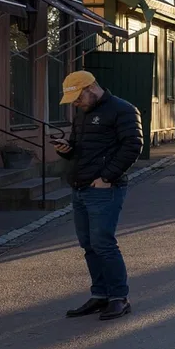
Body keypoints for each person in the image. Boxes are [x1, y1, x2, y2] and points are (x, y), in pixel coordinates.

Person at [51, 70, 144, 321]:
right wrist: (66, 150)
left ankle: (118, 298)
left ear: (90, 89)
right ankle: (100, 294)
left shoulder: (123, 109)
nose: (76, 104)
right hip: (80, 186)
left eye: (78, 98)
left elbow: (133, 146)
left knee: (103, 243)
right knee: (89, 245)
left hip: (104, 189)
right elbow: (79, 149)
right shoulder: (82, 114)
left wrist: (106, 178)